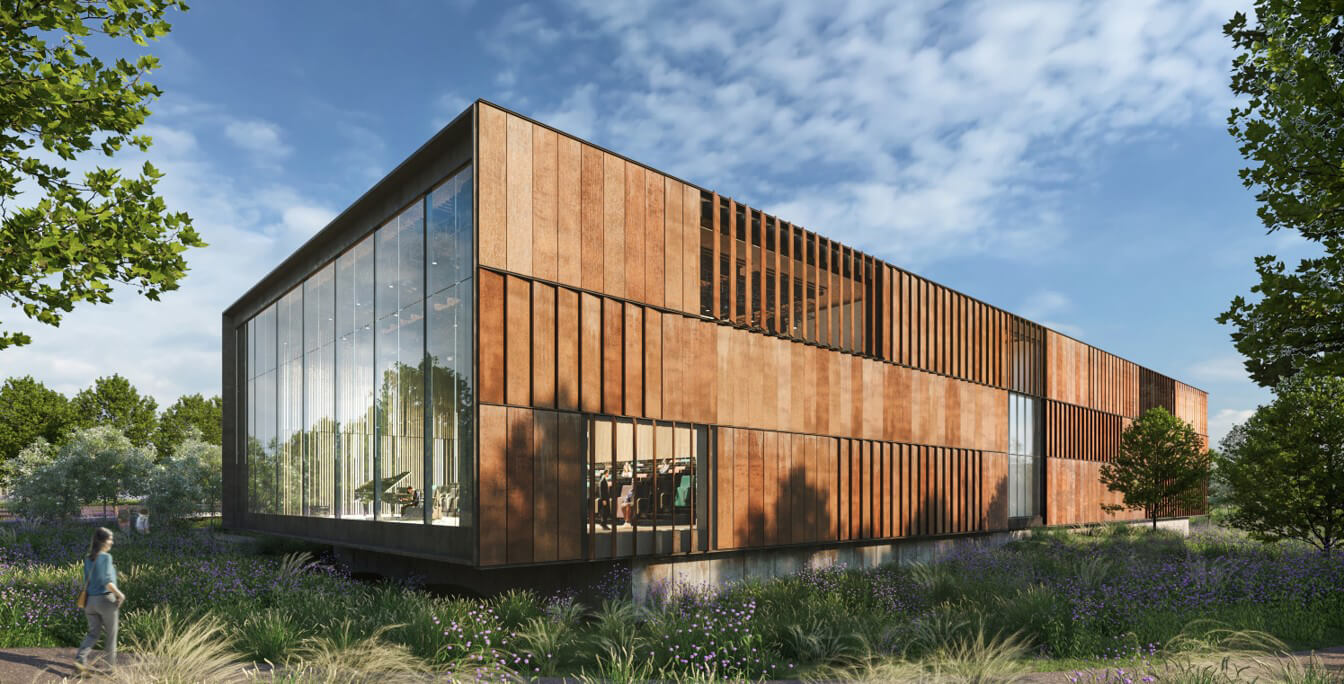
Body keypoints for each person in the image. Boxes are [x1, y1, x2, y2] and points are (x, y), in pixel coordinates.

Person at [76, 527, 124, 670]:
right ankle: (110, 669)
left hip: (90, 602)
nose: (112, 542)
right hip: (105, 600)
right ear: (102, 541)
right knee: (111, 636)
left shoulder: (88, 558)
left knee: (93, 633)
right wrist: (120, 594)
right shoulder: (106, 557)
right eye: (110, 539)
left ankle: (80, 659)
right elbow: (106, 581)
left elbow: (87, 580)